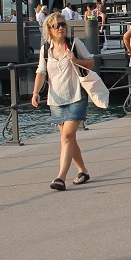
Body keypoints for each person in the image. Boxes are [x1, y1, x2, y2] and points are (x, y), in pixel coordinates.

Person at [31, 13, 94, 191]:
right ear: (49, 30)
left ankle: (60, 177)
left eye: (63, 24)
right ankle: (83, 170)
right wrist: (35, 92)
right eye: (56, 25)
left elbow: (90, 62)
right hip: (56, 99)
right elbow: (41, 71)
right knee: (70, 138)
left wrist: (75, 60)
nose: (60, 28)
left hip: (76, 96)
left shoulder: (75, 44)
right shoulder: (45, 50)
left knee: (66, 136)